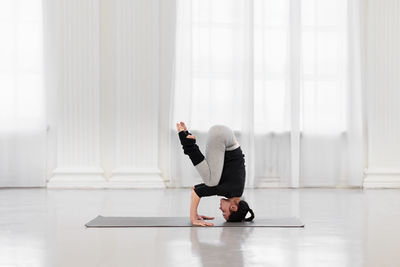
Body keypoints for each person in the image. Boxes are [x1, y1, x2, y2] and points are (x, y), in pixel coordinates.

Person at [176, 122, 255, 227]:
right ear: (233, 208)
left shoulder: (235, 191)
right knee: (211, 181)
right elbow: (197, 192)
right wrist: (193, 218)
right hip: (221, 136)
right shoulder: (229, 190)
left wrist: (196, 213)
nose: (220, 209)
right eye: (224, 212)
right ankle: (188, 144)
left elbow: (195, 188)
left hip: (224, 134)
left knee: (211, 181)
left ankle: (187, 138)